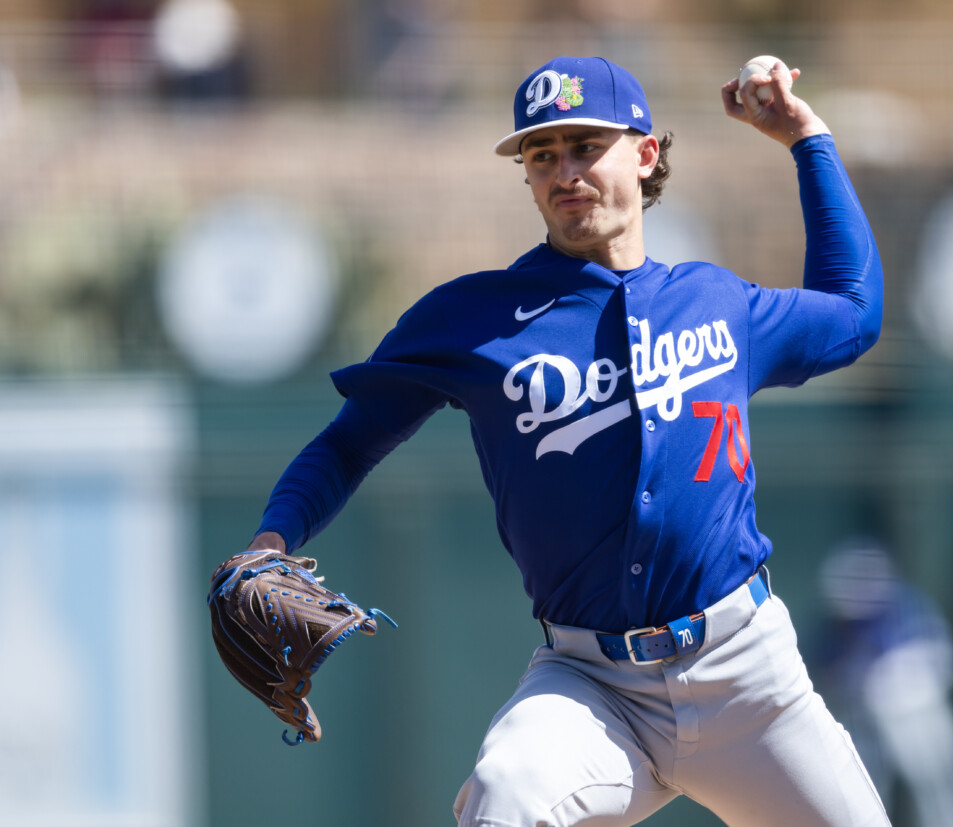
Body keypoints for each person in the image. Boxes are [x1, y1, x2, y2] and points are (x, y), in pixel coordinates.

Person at [244, 55, 889, 826]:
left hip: (747, 677)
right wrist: (271, 538)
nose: (564, 171)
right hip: (591, 685)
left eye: (586, 145)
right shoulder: (472, 318)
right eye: (542, 155)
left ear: (646, 153)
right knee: (504, 795)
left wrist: (804, 137)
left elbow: (852, 311)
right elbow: (348, 443)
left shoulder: (718, 304)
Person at [808, 539, 953, 827]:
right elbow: (827, 676)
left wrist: (896, 683)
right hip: (861, 719)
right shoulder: (838, 627)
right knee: (864, 787)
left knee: (940, 784)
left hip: (922, 715)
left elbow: (943, 659)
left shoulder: (909, 609)